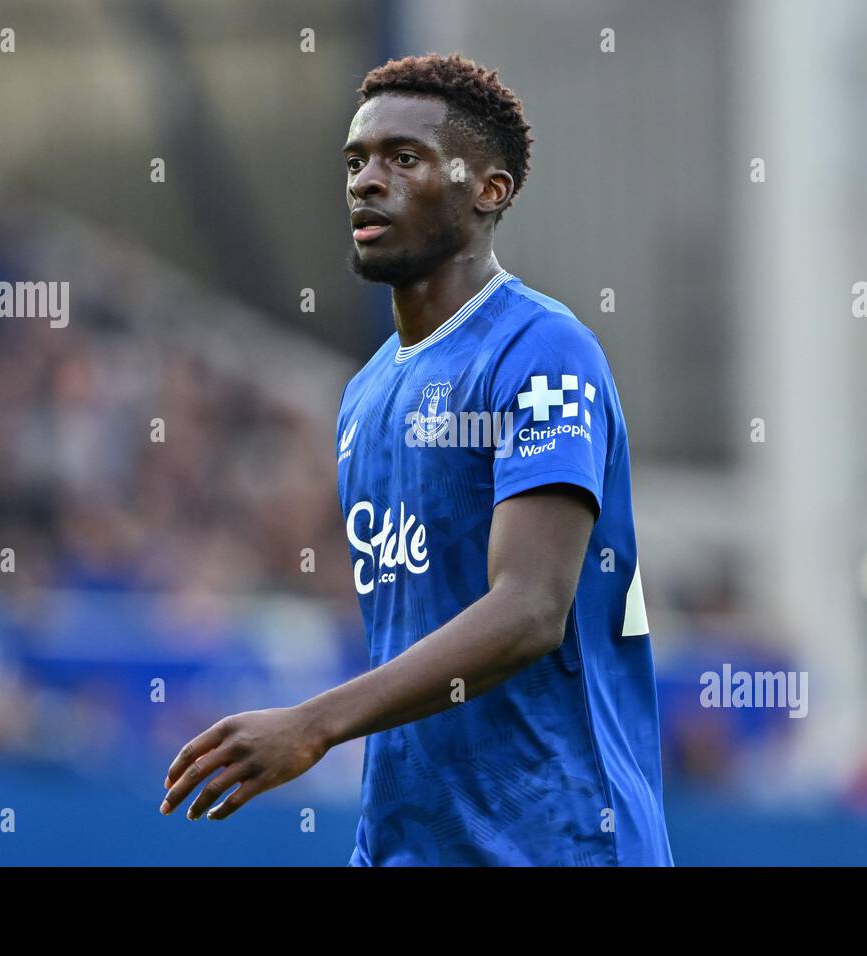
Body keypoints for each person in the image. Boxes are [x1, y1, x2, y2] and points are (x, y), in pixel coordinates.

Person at [161, 52, 672, 866]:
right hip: (412, 845)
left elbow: (532, 608)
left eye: (405, 159)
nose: (367, 180)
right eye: (356, 161)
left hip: (556, 843)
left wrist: (314, 722)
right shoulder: (367, 395)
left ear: (488, 190)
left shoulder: (543, 350)